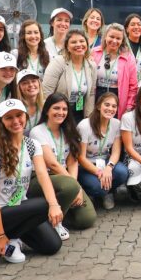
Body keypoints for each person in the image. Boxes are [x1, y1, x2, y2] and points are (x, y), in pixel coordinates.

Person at [0, 100, 65, 266]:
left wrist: (54, 204)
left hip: (20, 207)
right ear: (2, 122)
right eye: (9, 117)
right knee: (43, 205)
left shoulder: (32, 144)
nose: (15, 121)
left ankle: (14, 235)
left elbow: (43, 175)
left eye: (19, 115)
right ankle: (5, 238)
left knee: (52, 245)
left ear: (26, 117)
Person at [30, 93, 97, 236]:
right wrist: (75, 187)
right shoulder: (37, 131)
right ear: (47, 110)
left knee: (87, 219)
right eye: (56, 108)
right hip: (42, 177)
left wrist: (75, 187)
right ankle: (54, 222)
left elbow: (72, 162)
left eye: (64, 109)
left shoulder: (69, 130)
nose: (61, 112)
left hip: (65, 177)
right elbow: (52, 164)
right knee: (70, 187)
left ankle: (60, 214)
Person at [77, 93, 123, 210]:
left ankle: (108, 192)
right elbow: (80, 158)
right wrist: (99, 173)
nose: (110, 109)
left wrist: (109, 167)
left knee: (123, 172)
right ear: (98, 106)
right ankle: (91, 193)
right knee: (97, 187)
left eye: (114, 106)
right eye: (107, 105)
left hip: (105, 161)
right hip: (86, 165)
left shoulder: (116, 123)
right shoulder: (84, 126)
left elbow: (116, 151)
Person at [42, 30, 98, 121]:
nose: (78, 44)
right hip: (59, 112)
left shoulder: (92, 66)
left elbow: (91, 94)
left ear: (87, 45)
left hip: (79, 111)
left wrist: (88, 118)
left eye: (82, 41)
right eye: (73, 42)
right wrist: (50, 115)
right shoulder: (58, 62)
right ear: (67, 47)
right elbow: (47, 91)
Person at [93, 22, 138, 117]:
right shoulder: (94, 53)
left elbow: (133, 87)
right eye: (111, 37)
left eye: (118, 38)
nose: (114, 41)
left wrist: (129, 107)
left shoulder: (129, 58)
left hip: (117, 98)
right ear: (105, 36)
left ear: (122, 40)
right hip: (96, 96)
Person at [15, 69, 44, 133]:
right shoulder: (15, 108)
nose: (30, 85)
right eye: (25, 83)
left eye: (33, 81)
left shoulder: (46, 105)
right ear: (19, 88)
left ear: (39, 83)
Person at [124, 13, 141, 80]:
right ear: (127, 29)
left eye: (139, 24)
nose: (136, 27)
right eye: (132, 24)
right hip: (121, 86)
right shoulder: (121, 45)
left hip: (137, 87)